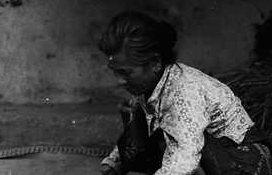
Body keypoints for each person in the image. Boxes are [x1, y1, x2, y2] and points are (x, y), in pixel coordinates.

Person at [97, 11, 272, 175]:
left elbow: (184, 161)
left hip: (244, 163)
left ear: (155, 62)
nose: (119, 81)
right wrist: (114, 164)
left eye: (126, 72)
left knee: (169, 138)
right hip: (207, 151)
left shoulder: (184, 93)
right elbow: (135, 130)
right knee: (141, 120)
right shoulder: (147, 87)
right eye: (115, 71)